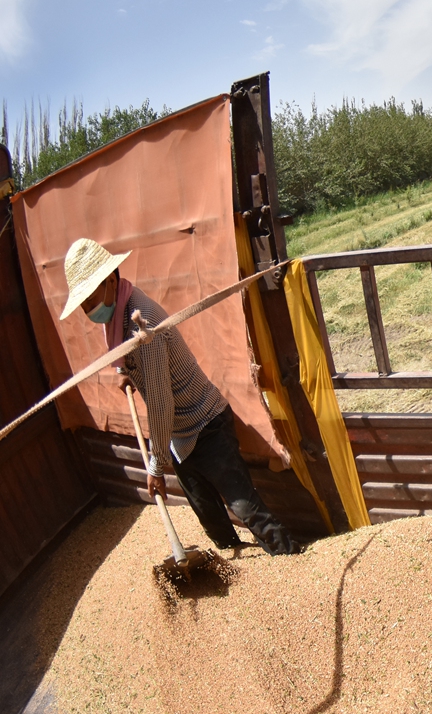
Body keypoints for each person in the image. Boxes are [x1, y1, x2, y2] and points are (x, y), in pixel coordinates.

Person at [60, 238, 300, 555]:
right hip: (179, 435)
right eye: (84, 305)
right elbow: (127, 358)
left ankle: (289, 555)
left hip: (206, 423)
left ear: (110, 281)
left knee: (245, 506)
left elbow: (161, 406)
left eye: (90, 300)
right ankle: (236, 564)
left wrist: (156, 466)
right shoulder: (119, 312)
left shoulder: (140, 320)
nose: (89, 310)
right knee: (209, 515)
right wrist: (126, 374)